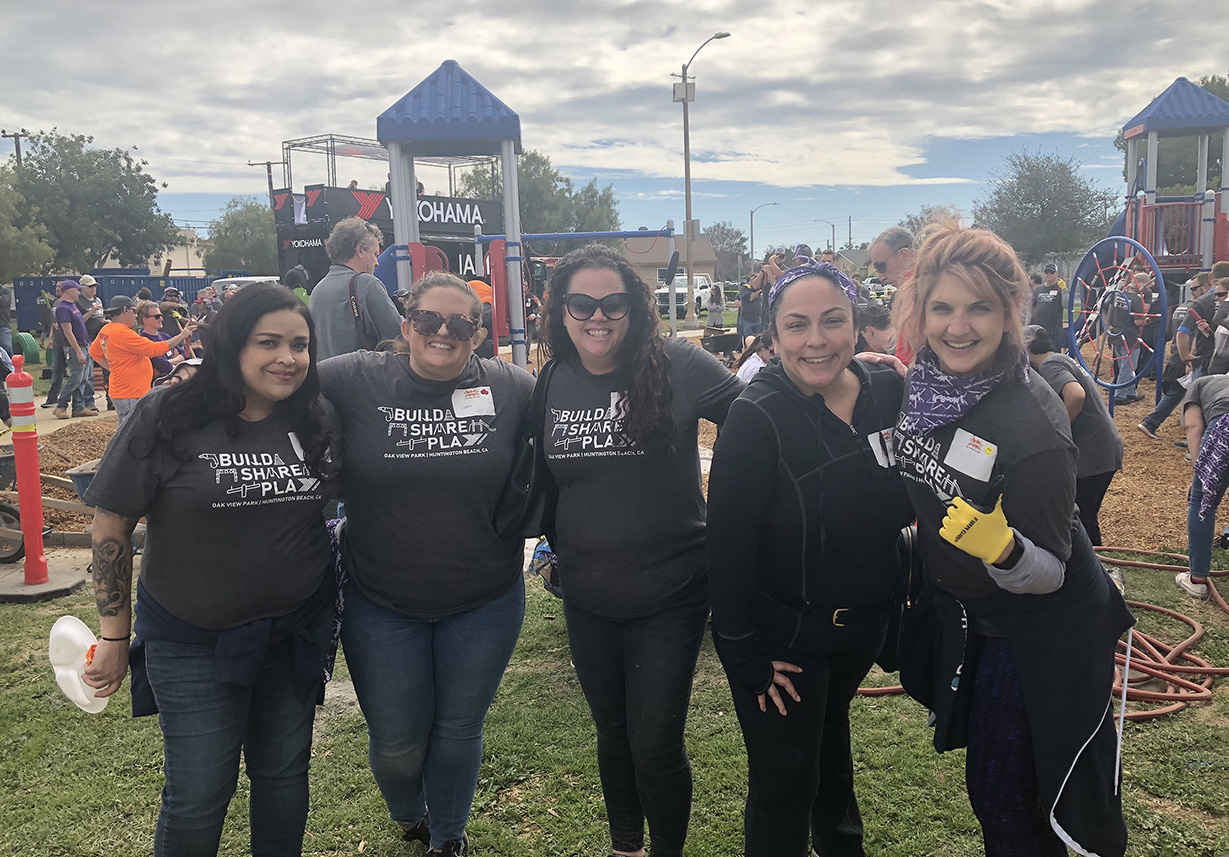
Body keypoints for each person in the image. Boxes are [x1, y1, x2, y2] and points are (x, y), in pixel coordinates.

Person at [892, 222, 1133, 857]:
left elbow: (1049, 570)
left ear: (1010, 313)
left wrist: (1002, 547)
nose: (957, 326)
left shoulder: (1034, 423)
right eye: (942, 307)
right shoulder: (926, 385)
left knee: (1020, 797)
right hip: (975, 611)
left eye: (979, 307)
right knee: (996, 787)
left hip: (1040, 624)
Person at [80, 284, 338, 856]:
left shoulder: (315, 414)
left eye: (300, 344)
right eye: (267, 342)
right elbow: (113, 524)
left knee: (283, 780)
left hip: (294, 632)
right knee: (198, 794)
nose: (287, 357)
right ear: (229, 344)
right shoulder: (168, 415)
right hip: (190, 640)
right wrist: (114, 635)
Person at [318, 272, 533, 857]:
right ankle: (408, 811)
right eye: (428, 321)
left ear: (479, 333)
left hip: (485, 597)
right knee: (396, 742)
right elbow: (268, 379)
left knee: (460, 729)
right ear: (405, 324)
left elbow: (575, 425)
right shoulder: (355, 377)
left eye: (460, 324)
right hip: (380, 601)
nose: (443, 333)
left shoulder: (512, 387)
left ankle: (447, 838)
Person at [539, 244, 742, 857]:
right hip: (587, 592)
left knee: (654, 741)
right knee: (613, 731)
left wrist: (739, 502)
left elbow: (757, 416)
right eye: (581, 303)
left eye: (613, 303)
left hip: (671, 592)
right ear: (562, 310)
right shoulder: (552, 376)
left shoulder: (678, 363)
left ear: (634, 307)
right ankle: (626, 845)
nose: (597, 316)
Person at [707, 260, 914, 857]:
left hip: (861, 633)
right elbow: (727, 549)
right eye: (797, 326)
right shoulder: (757, 417)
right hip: (784, 643)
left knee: (828, 743)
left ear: (857, 327)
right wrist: (745, 657)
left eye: (833, 321)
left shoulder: (888, 393)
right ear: (772, 338)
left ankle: (842, 844)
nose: (816, 340)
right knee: (784, 780)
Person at [1025, 325, 1123, 545]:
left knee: (1077, 519)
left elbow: (1076, 396)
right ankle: (1101, 569)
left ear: (1027, 348)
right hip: (1103, 450)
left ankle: (1092, 572)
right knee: (1086, 518)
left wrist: (1057, 435)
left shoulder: (1050, 365)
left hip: (1092, 455)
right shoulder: (1061, 359)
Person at [89, 296, 197, 427]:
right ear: (125, 310)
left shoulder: (107, 330)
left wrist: (113, 368)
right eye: (133, 311)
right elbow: (153, 349)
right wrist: (181, 336)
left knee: (126, 431)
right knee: (135, 433)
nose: (135, 316)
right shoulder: (122, 333)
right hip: (131, 392)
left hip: (124, 391)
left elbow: (94, 352)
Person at [310, 217, 403, 360]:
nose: (377, 263)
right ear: (360, 250)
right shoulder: (366, 284)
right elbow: (399, 338)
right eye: (375, 254)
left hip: (325, 378)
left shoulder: (318, 290)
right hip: (362, 379)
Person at [1138, 273, 1215, 439]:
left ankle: (1152, 422)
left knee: (1178, 393)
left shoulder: (1183, 306)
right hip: (1186, 357)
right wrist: (1188, 356)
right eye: (1192, 288)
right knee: (1184, 394)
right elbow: (1184, 334)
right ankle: (1153, 422)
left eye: (1194, 288)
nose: (1193, 292)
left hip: (1177, 356)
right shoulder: (1199, 306)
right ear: (1208, 286)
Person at [1178, 372, 1229, 599]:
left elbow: (1193, 428)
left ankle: (1197, 579)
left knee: (1202, 502)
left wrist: (1200, 475)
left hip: (1225, 424)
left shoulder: (1197, 386)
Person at [868, 227, 917, 364]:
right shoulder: (907, 292)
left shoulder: (926, 289)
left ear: (904, 255)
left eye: (881, 267)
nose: (880, 277)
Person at [53, 279, 98, 419]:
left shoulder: (73, 306)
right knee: (76, 378)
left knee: (83, 378)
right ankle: (61, 405)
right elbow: (68, 332)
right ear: (69, 291)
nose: (79, 292)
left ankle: (78, 407)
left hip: (84, 344)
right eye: (77, 290)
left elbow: (80, 322)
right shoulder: (63, 308)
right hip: (75, 347)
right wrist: (78, 351)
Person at [137, 300, 187, 380]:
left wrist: (170, 361)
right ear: (145, 319)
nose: (161, 319)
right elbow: (163, 365)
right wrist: (177, 360)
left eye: (161, 315)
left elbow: (185, 354)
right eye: (157, 317)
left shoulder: (164, 336)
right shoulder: (143, 341)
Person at [1028, 264, 1065, 351]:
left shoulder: (1059, 289)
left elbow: (1066, 304)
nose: (1049, 274)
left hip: (1053, 331)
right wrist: (1028, 325)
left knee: (1054, 355)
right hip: (1037, 330)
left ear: (1056, 274)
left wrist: (1064, 290)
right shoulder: (1038, 290)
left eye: (1051, 272)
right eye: (1046, 272)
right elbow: (1031, 309)